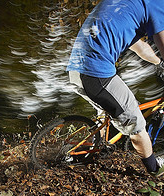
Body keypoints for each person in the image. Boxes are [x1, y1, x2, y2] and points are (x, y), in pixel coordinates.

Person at [67, 0, 164, 176]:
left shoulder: (127, 6)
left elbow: (140, 47)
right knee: (136, 123)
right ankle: (155, 170)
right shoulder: (156, 4)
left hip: (76, 69)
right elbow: (162, 43)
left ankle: (92, 150)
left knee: (105, 110)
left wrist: (159, 64)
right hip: (95, 73)